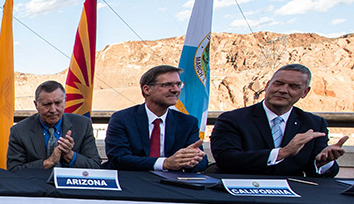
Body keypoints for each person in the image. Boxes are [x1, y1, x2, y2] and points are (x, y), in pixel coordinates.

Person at [210, 64, 346, 177]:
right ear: (267, 85)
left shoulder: (314, 124)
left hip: (291, 198)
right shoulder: (232, 119)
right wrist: (282, 153)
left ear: (305, 92)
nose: (283, 90)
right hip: (239, 192)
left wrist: (323, 162)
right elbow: (226, 160)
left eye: (293, 87)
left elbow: (317, 172)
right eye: (278, 84)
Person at [104, 65, 207, 172]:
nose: (176, 90)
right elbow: (118, 159)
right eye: (168, 85)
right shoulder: (122, 119)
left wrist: (191, 161)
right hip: (133, 180)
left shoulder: (188, 122)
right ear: (147, 89)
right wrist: (165, 163)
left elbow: (202, 162)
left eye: (178, 84)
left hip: (171, 183)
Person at [7, 80, 102, 171]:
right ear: (36, 105)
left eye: (58, 103)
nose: (53, 110)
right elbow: (14, 170)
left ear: (65, 101)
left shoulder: (83, 125)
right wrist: (48, 162)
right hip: (35, 185)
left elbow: (95, 166)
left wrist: (70, 156)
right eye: (47, 104)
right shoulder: (19, 131)